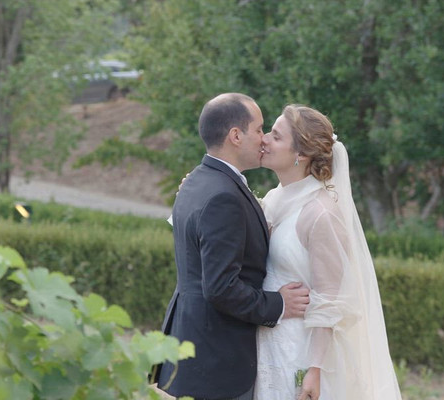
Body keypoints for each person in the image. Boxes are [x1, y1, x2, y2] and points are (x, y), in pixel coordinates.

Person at [151, 93, 311, 400]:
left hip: (192, 341)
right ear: (235, 136)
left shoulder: (198, 180)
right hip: (215, 358)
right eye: (259, 129)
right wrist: (278, 304)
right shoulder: (223, 196)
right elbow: (221, 287)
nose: (263, 139)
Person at [255, 105, 402, 400]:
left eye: (276, 136)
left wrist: (314, 368)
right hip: (269, 339)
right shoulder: (273, 199)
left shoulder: (321, 214)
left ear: (301, 154)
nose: (264, 141)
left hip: (302, 352)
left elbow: (330, 298)